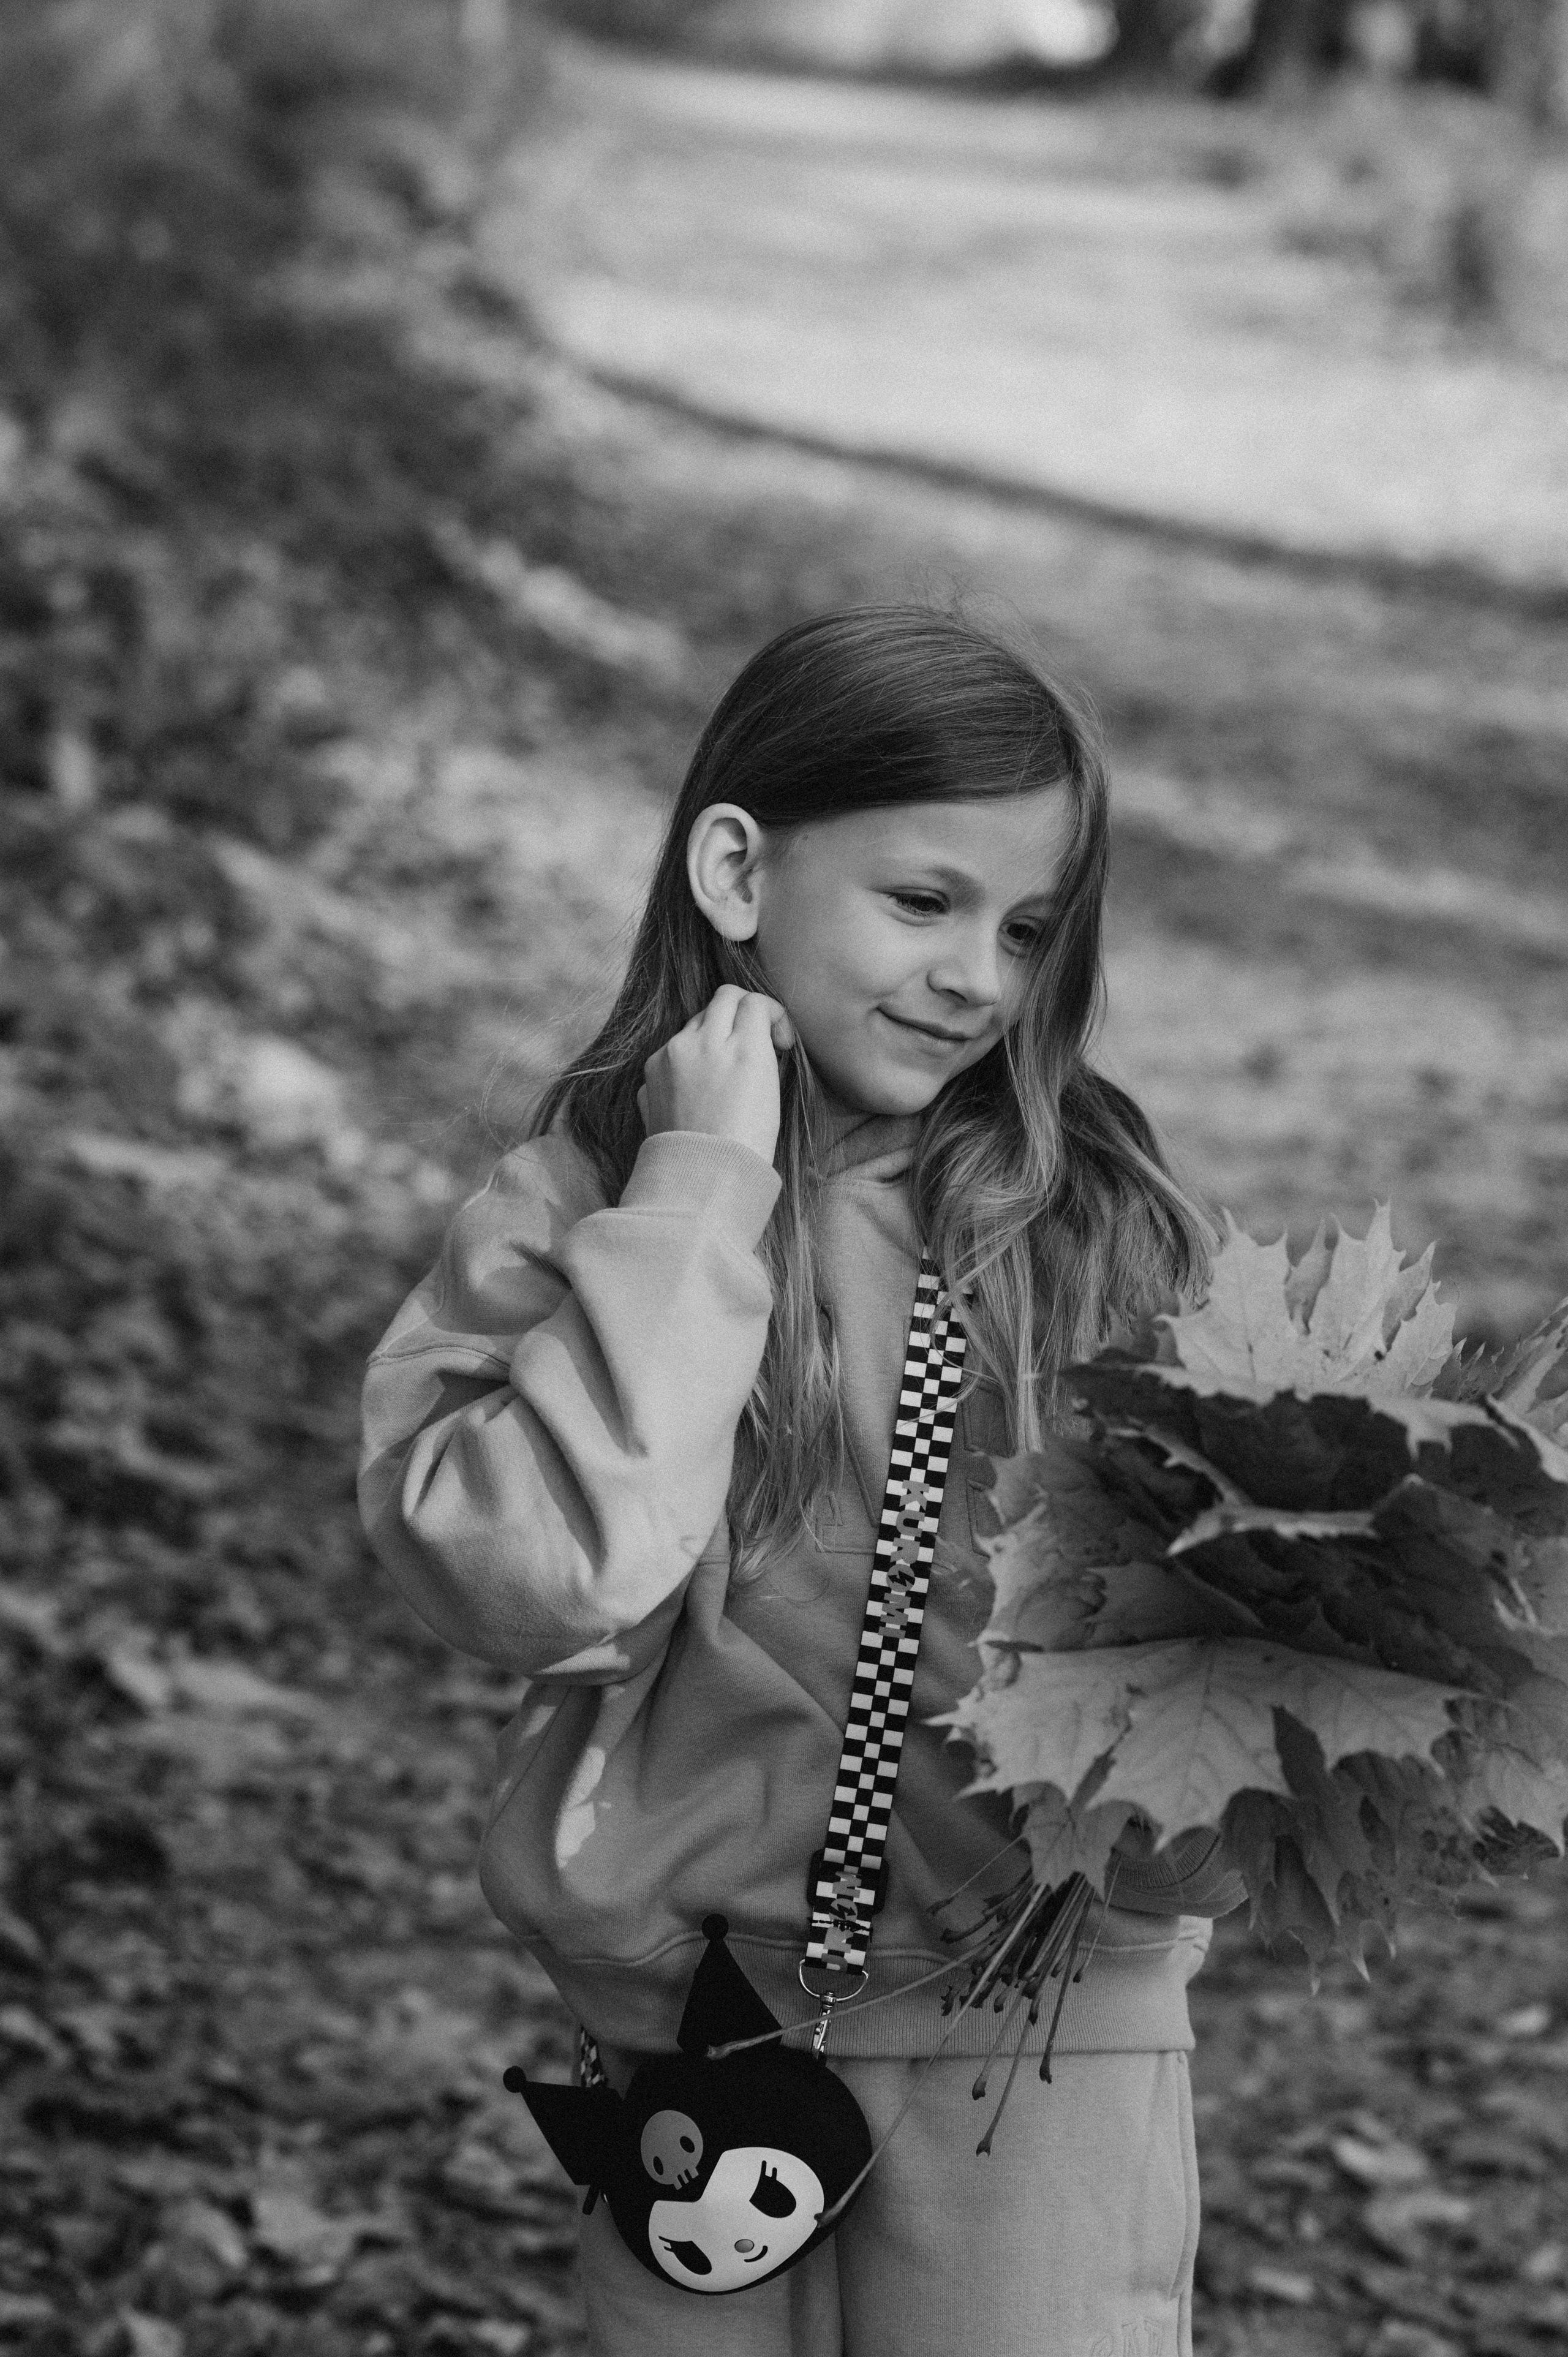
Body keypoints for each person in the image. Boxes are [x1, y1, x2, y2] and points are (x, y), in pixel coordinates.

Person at [359, 606, 1243, 2357]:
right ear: (739, 869)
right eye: (924, 902)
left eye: (1029, 929)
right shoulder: (590, 1203)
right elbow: (523, 1573)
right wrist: (699, 1191)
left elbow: (1234, 1641)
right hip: (697, 2044)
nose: (980, 979)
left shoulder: (1102, 1239)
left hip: (1044, 2041)